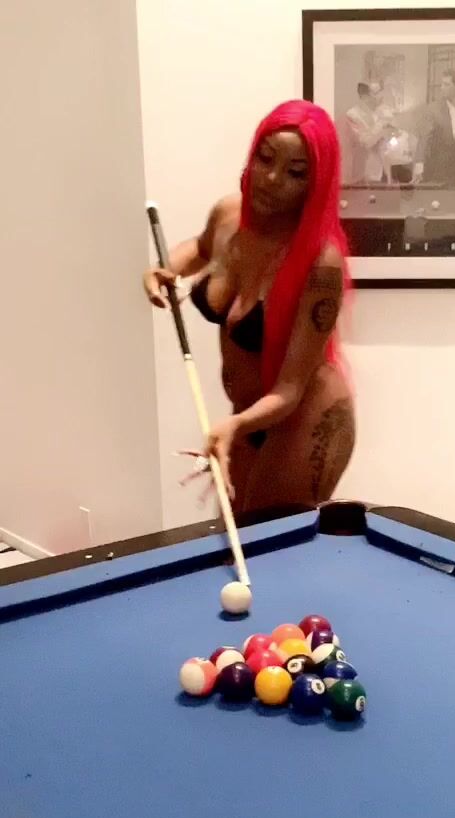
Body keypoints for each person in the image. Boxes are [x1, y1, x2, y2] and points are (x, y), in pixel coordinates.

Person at [143, 101, 355, 516]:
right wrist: (164, 270)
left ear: (315, 183)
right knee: (234, 537)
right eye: (265, 158)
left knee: (264, 540)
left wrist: (234, 426)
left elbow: (290, 390)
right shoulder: (229, 215)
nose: (272, 179)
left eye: (295, 172)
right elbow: (200, 248)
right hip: (246, 415)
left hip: (302, 415)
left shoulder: (320, 263)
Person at [345, 81, 394, 184]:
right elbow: (365, 143)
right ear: (364, 96)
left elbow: (386, 146)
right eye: (376, 93)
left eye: (381, 92)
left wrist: (389, 177)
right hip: (363, 176)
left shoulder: (380, 113)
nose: (381, 97)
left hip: (381, 174)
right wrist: (382, 124)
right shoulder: (353, 115)